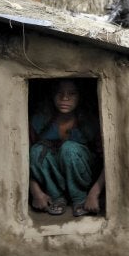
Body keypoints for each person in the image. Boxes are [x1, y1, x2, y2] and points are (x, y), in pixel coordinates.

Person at [28, 79, 104, 217]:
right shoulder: (40, 120)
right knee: (36, 151)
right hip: (52, 182)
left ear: (80, 97)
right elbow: (22, 160)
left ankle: (79, 198)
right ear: (52, 95)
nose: (65, 98)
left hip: (85, 179)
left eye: (72, 93)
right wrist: (35, 192)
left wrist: (94, 194)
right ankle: (56, 197)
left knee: (69, 149)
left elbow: (109, 162)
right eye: (59, 93)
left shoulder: (90, 123)